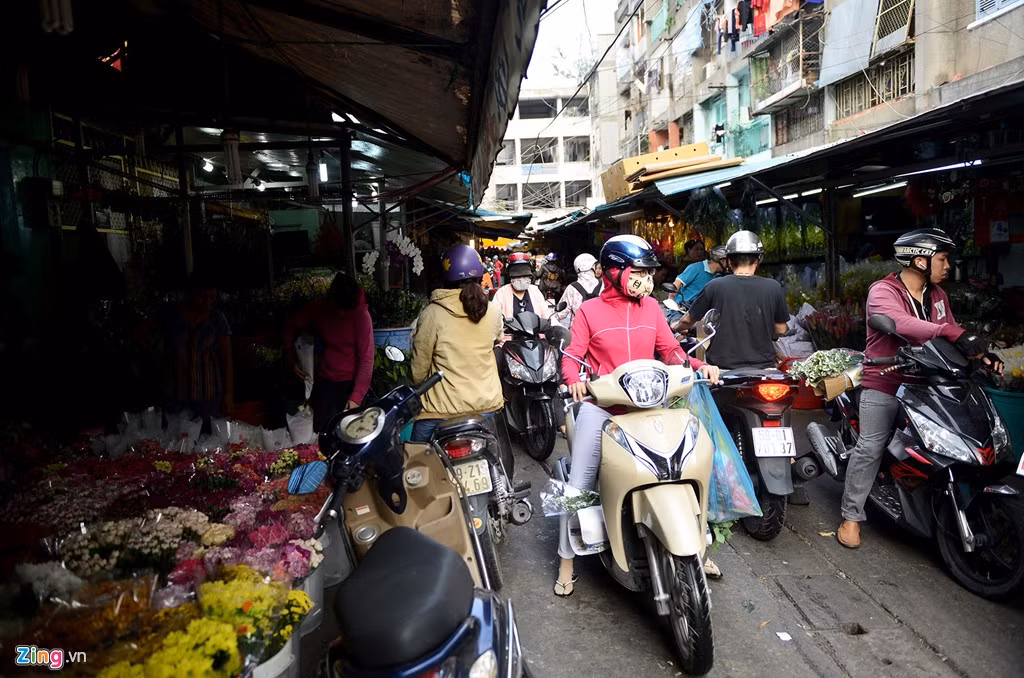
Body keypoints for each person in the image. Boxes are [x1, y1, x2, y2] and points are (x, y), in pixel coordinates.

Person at [555, 235, 722, 597]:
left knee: (687, 464)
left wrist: (699, 365)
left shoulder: (651, 309)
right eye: (639, 271)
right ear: (614, 271)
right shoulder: (588, 311)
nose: (646, 278)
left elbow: (671, 351)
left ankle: (694, 546)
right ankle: (566, 559)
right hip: (604, 408)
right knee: (580, 484)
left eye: (649, 271)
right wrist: (574, 381)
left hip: (651, 405)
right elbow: (573, 355)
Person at [836, 228, 1003, 549]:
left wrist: (981, 355)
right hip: (885, 381)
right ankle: (851, 516)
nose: (948, 266)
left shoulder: (938, 296)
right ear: (919, 260)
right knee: (871, 445)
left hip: (927, 384)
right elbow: (899, 323)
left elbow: (950, 333)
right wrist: (951, 332)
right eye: (942, 259)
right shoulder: (882, 291)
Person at [409, 244, 505, 442]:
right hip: (485, 406)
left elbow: (419, 371)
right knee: (494, 455)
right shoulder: (493, 311)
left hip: (440, 411)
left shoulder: (432, 314)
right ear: (480, 277)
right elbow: (497, 339)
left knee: (416, 457)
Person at [676, 232, 789, 370]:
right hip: (764, 367)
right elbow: (781, 329)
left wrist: (675, 328)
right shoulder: (773, 287)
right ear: (757, 260)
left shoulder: (714, 286)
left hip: (720, 370)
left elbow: (687, 321)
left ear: (729, 261)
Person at [283, 272, 374, 432]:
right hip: (326, 382)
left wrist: (356, 397)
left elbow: (366, 360)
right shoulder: (320, 309)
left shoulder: (361, 316)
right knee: (324, 432)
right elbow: (291, 325)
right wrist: (291, 359)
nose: (341, 314)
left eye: (346, 310)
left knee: (351, 434)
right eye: (338, 309)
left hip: (350, 383)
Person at [162, 272, 234, 425]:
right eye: (203, 297)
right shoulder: (174, 318)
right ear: (192, 294)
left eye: (212, 297)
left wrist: (228, 394)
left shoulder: (217, 319)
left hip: (209, 399)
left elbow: (227, 360)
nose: (207, 303)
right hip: (179, 398)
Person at [493, 252, 555, 322]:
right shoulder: (501, 293)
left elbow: (546, 314)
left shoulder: (535, 291)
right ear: (511, 277)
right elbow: (494, 317)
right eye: (518, 276)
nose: (521, 279)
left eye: (525, 276)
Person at [555, 253, 602, 326]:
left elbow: (562, 312)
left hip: (579, 330)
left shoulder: (572, 288)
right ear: (592, 267)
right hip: (600, 328)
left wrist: (551, 319)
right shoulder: (604, 285)